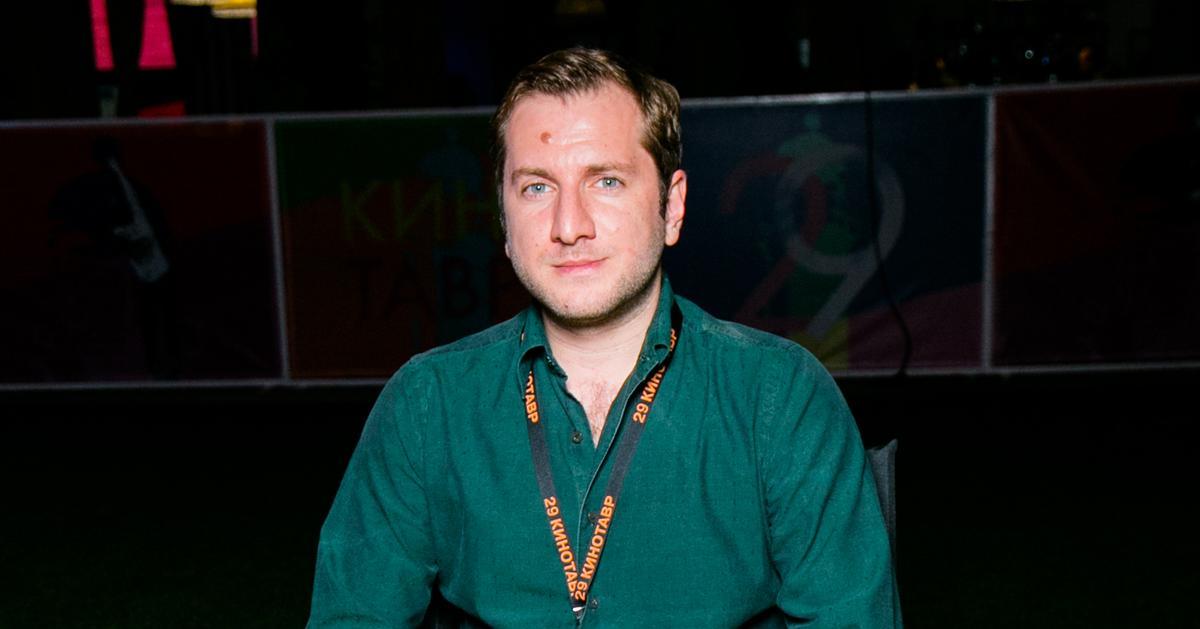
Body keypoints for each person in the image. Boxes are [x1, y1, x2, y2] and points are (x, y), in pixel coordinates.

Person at [308, 47, 900, 628]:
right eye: (537, 188)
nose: (570, 226)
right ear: (504, 220)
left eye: (607, 181)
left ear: (672, 207)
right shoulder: (426, 404)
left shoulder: (780, 398)